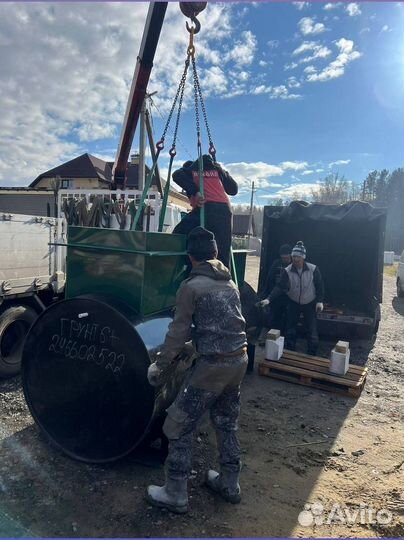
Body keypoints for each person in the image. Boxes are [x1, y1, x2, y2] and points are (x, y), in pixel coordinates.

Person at [146, 227, 248, 514]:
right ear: (215, 254)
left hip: (212, 368)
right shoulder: (230, 284)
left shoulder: (190, 287)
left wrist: (161, 365)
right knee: (226, 421)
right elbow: (228, 326)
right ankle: (230, 483)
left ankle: (175, 492)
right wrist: (196, 345)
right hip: (238, 361)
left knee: (178, 424)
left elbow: (177, 332)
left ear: (190, 256)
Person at [258, 241, 324, 356]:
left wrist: (319, 301)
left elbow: (320, 286)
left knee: (311, 329)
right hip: (293, 302)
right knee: (290, 329)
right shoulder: (287, 271)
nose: (295, 260)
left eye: (298, 258)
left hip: (309, 303)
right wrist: (269, 299)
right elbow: (279, 286)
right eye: (294, 257)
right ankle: (289, 352)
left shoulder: (313, 269)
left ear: (303, 258)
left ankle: (312, 354)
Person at [172, 154, 238, 268]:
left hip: (207, 207)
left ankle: (187, 266)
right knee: (222, 248)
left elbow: (176, 175)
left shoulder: (190, 170)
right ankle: (223, 277)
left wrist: (195, 191)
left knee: (179, 234)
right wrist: (221, 170)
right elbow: (234, 189)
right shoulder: (217, 170)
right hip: (225, 210)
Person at [258, 244, 292, 344]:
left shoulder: (293, 266)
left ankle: (285, 341)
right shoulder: (276, 263)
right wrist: (267, 295)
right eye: (283, 257)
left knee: (287, 320)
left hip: (289, 296)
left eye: (287, 257)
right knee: (273, 318)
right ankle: (271, 339)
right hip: (276, 295)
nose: (285, 259)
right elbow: (270, 279)